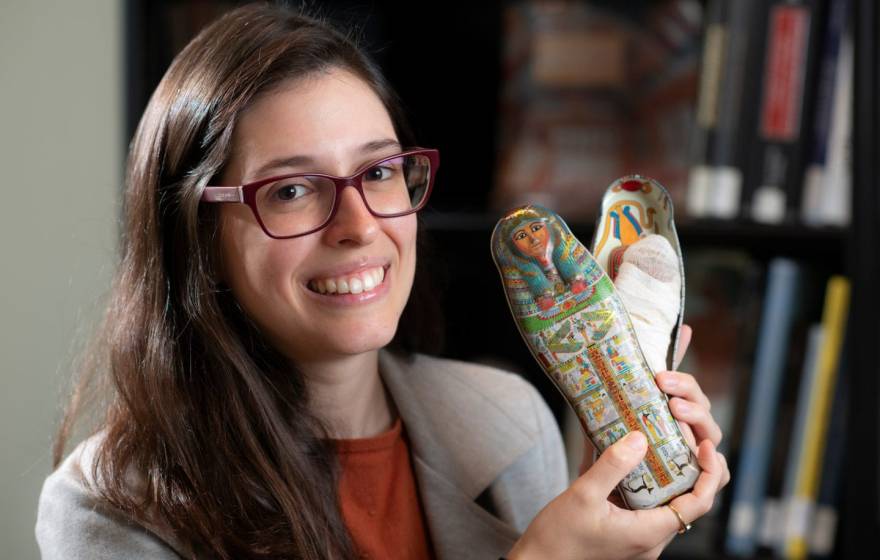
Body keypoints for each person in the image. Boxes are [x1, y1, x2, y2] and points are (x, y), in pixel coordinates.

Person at [35, 4, 729, 559]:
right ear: (196, 231)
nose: (359, 226)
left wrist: (622, 535)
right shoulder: (107, 510)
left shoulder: (510, 422)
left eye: (377, 173)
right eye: (292, 191)